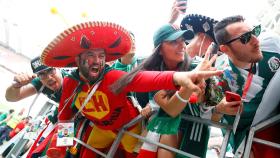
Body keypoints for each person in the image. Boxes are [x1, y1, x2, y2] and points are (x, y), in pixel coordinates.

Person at [39, 21, 222, 158]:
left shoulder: (112, 76)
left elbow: (144, 79)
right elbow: (64, 117)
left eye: (101, 55)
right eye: (90, 56)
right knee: (87, 154)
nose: (97, 61)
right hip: (100, 129)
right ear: (77, 60)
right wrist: (60, 147)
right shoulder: (71, 83)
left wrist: (178, 77)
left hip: (128, 128)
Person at [214, 15, 280, 157]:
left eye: (254, 32)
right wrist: (219, 109)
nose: (256, 41)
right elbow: (211, 117)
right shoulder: (220, 78)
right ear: (225, 49)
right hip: (256, 136)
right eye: (245, 38)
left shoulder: (272, 44)